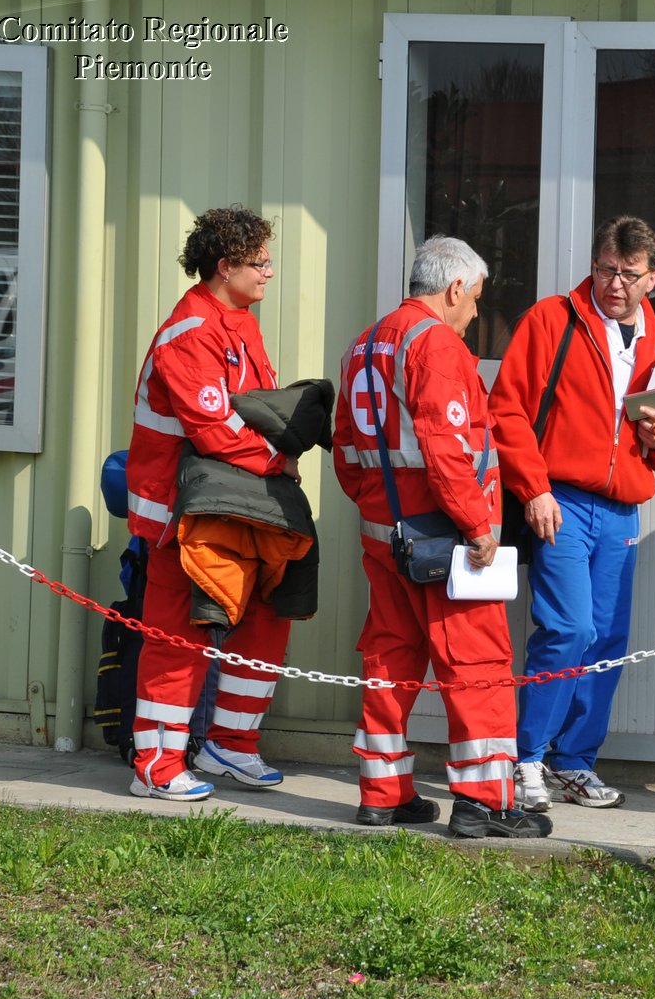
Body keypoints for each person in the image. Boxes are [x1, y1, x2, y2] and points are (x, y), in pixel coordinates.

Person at [333, 236, 551, 840]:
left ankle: (382, 795)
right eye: (476, 299)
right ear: (454, 289)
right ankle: (484, 803)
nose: (476, 313)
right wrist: (479, 527)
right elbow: (448, 450)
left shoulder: (365, 344)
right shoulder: (437, 347)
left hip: (388, 537)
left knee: (390, 657)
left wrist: (383, 508)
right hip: (448, 540)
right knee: (478, 663)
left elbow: (347, 453)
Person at [490, 215, 655, 812]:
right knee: (568, 629)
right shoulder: (552, 319)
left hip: (622, 507)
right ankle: (527, 759)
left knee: (606, 639)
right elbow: (507, 410)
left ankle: (574, 763)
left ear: (652, 278)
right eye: (606, 269)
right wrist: (533, 490)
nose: (615, 284)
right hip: (562, 501)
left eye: (629, 274)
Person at [124, 206, 296, 801]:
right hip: (180, 515)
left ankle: (230, 745)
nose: (270, 273)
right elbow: (216, 429)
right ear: (225, 267)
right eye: (261, 262)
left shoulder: (239, 319)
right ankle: (156, 763)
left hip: (231, 507)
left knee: (266, 620)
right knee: (178, 636)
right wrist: (281, 458)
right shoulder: (190, 331)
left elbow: (251, 407)